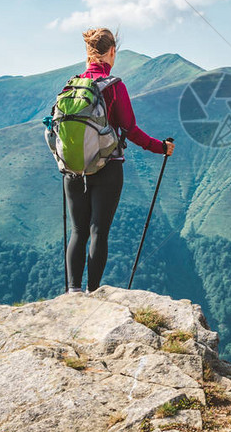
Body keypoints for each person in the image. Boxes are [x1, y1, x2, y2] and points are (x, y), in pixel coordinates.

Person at [63, 28, 174, 293]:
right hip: (107, 168)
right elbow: (131, 130)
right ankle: (93, 292)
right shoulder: (114, 86)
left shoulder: (72, 85)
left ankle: (73, 291)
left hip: (73, 168)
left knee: (78, 230)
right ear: (113, 52)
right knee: (98, 231)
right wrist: (160, 148)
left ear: (87, 53)